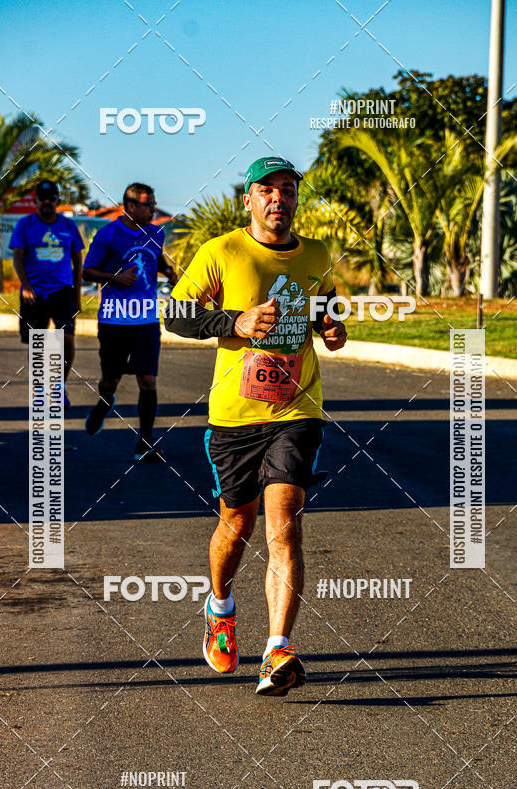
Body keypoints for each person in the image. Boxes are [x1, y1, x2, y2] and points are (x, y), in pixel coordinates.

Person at [165, 156, 347, 696]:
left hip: (297, 410)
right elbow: (175, 315)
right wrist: (235, 321)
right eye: (266, 190)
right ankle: (220, 607)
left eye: (287, 189)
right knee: (236, 524)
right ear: (247, 199)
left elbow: (324, 310)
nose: (278, 199)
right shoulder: (220, 251)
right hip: (234, 416)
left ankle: (277, 649)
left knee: (284, 520)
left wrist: (332, 328)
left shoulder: (316, 254)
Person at [82, 183, 176, 461]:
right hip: (114, 319)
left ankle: (145, 443)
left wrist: (169, 271)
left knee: (147, 380)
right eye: (148, 205)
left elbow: (157, 259)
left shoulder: (156, 233)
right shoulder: (108, 234)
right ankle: (104, 401)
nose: (153, 210)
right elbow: (88, 271)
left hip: (146, 319)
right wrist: (116, 278)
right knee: (110, 380)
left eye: (154, 204)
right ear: (131, 206)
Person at [11, 180, 84, 407]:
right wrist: (26, 286)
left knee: (67, 341)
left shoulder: (68, 226)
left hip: (63, 293)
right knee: (38, 344)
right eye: (42, 199)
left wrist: (77, 296)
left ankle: (59, 387)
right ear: (36, 201)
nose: (46, 203)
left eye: (51, 198)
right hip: (34, 295)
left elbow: (78, 262)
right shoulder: (25, 224)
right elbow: (17, 258)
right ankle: (40, 389)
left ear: (58, 201)